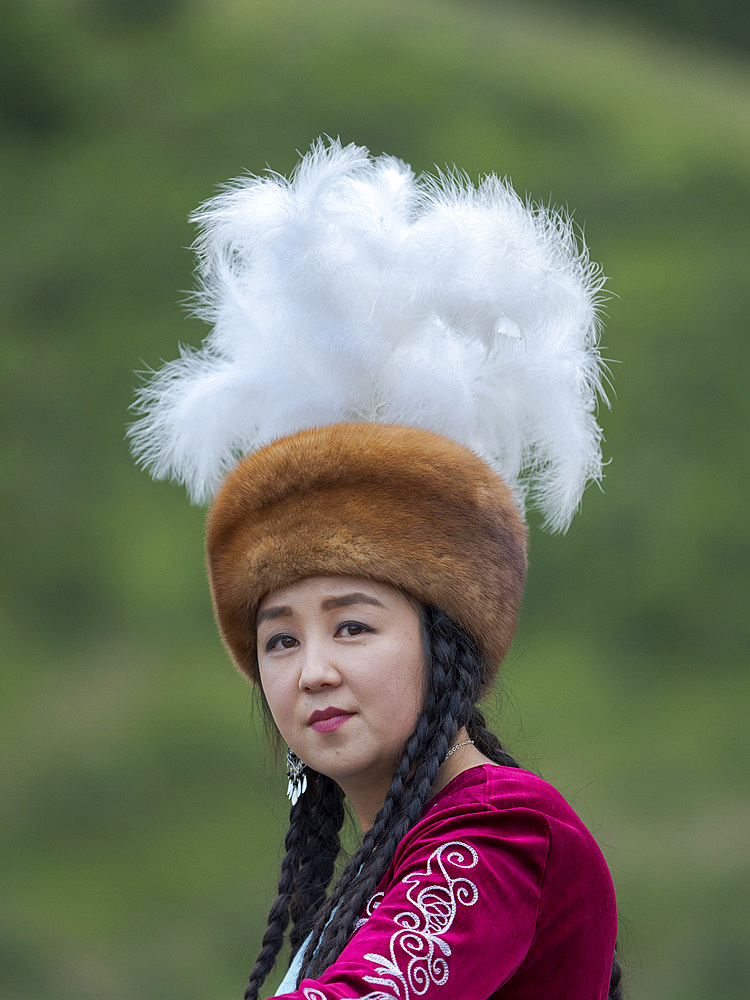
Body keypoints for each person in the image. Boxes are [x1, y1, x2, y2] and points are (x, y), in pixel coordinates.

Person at [130, 139, 622, 999]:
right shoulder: (382, 880)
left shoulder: (501, 831)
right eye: (279, 641)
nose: (312, 670)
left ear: (446, 640)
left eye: (352, 625)